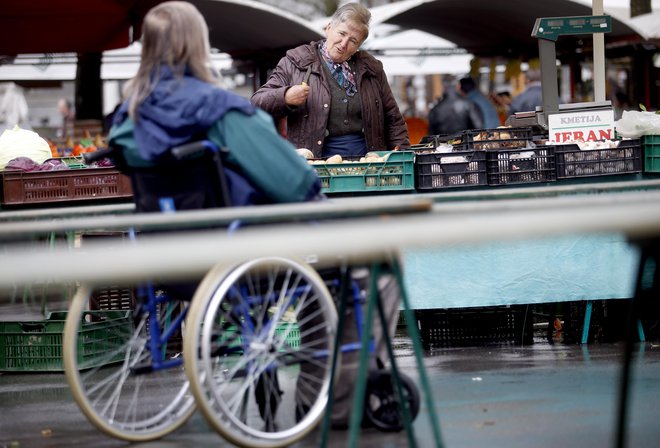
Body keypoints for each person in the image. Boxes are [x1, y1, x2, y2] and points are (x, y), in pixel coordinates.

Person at [107, 1, 321, 213]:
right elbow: (296, 184)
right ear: (199, 44)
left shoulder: (128, 117)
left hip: (158, 237)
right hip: (225, 237)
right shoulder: (222, 110)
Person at [251, 2, 410, 158]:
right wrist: (285, 97)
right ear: (328, 28)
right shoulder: (295, 62)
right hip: (315, 162)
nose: (344, 44)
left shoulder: (372, 69)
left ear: (358, 46)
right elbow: (256, 102)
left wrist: (404, 157)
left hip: (368, 163)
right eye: (342, 34)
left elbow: (393, 118)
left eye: (353, 41)